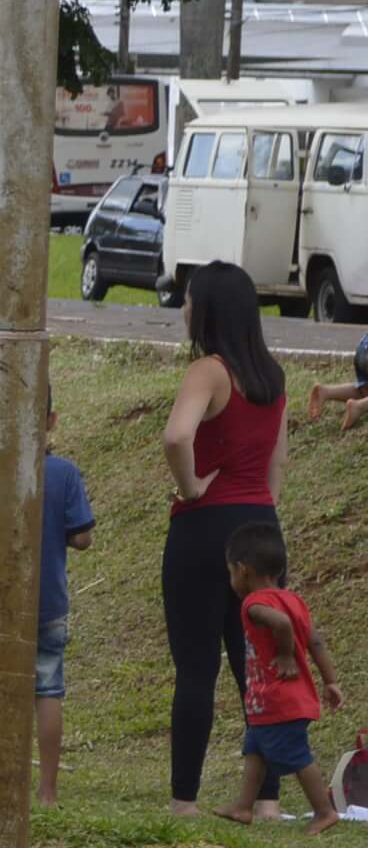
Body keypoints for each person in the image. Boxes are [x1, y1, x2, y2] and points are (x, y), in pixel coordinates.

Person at [160, 261, 288, 816]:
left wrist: (191, 487)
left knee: (196, 667)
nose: (184, 309)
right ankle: (268, 801)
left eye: (189, 300)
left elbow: (176, 436)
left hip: (204, 525)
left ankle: (184, 800)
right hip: (260, 525)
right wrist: (262, 509)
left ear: (207, 310)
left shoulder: (209, 371)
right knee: (257, 664)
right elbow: (278, 461)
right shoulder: (273, 377)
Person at [214, 522, 342, 834]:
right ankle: (244, 807)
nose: (231, 579)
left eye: (230, 572)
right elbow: (315, 641)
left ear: (243, 570)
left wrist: (285, 655)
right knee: (255, 750)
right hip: (278, 700)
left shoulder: (254, 603)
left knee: (297, 757)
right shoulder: (293, 599)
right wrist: (330, 681)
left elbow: (281, 624)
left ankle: (324, 811)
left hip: (279, 698)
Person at [35, 395, 96, 805]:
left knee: (0, 690)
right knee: (48, 691)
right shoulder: (63, 472)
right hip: (49, 600)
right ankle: (48, 791)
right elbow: (82, 537)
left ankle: (0, 779)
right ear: (52, 419)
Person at [308, 334, 368, 432]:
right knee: (365, 399)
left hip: (363, 348)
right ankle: (360, 406)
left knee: (364, 392)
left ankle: (327, 391)